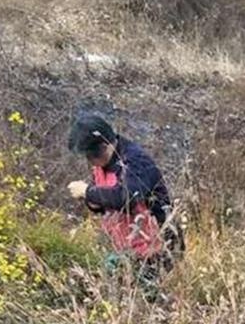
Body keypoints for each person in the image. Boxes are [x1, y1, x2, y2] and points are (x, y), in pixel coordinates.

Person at [66, 114, 183, 280]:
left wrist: (87, 192)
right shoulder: (102, 165)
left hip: (157, 250)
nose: (90, 161)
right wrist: (92, 202)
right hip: (126, 248)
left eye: (91, 156)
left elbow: (127, 198)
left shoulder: (135, 161)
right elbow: (104, 202)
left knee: (147, 299)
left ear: (104, 146)